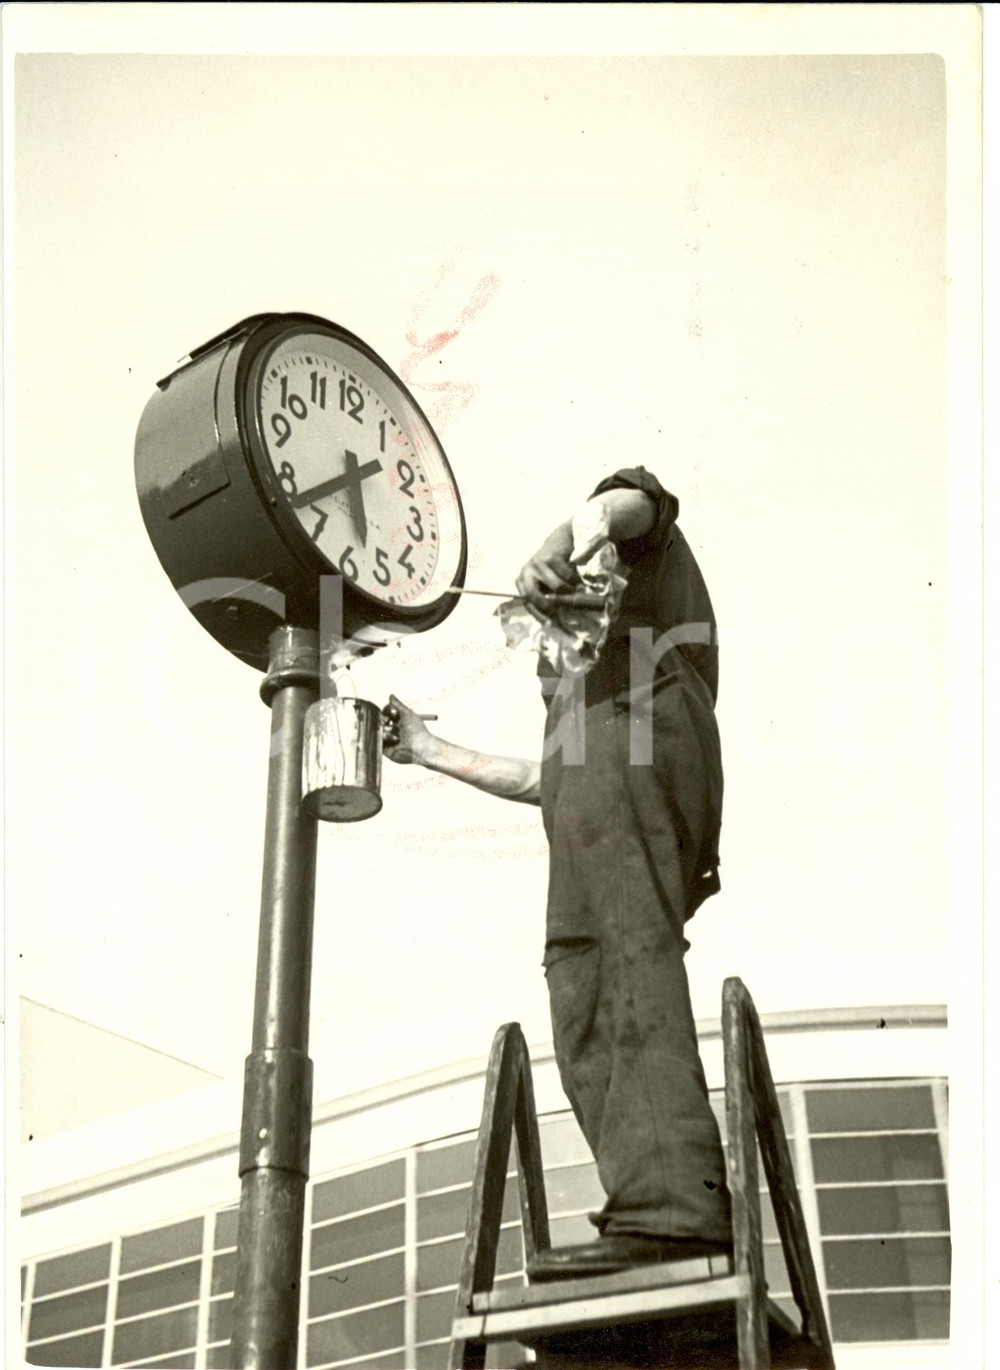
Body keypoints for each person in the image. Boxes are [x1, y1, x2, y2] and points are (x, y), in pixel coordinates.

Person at [383, 468, 732, 1278]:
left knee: (622, 956)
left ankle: (676, 1209)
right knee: (580, 982)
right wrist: (432, 753)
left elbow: (634, 495)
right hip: (593, 798)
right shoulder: (573, 689)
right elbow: (550, 778)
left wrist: (557, 542)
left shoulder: (638, 585)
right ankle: (649, 1206)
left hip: (638, 753)